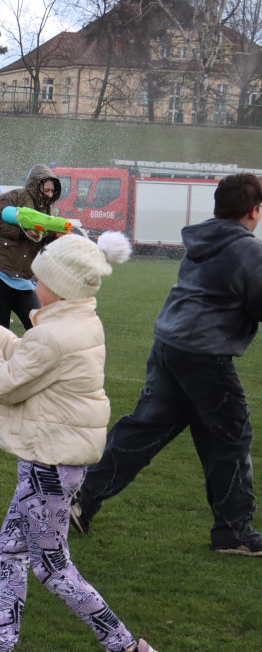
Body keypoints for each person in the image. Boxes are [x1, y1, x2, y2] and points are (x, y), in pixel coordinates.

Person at [0, 232, 156, 652]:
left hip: (49, 465)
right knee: (11, 549)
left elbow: (0, 384)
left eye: (40, 277)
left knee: (53, 567)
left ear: (60, 286)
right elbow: (27, 353)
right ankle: (1, 644)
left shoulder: (55, 335)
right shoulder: (76, 322)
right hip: (56, 461)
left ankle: (127, 646)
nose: (33, 282)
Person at [71, 173, 262, 557]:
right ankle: (233, 532)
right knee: (231, 438)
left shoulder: (203, 239)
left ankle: (80, 499)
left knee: (144, 430)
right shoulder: (248, 250)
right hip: (204, 356)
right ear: (254, 211)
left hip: (170, 345)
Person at [0, 164, 61, 405]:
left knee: (40, 329)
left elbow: (43, 243)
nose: (49, 195)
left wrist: (55, 237)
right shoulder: (14, 197)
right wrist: (24, 232)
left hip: (23, 281)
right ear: (35, 184)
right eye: (46, 189)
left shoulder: (49, 211)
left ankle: (31, 383)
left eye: (52, 191)